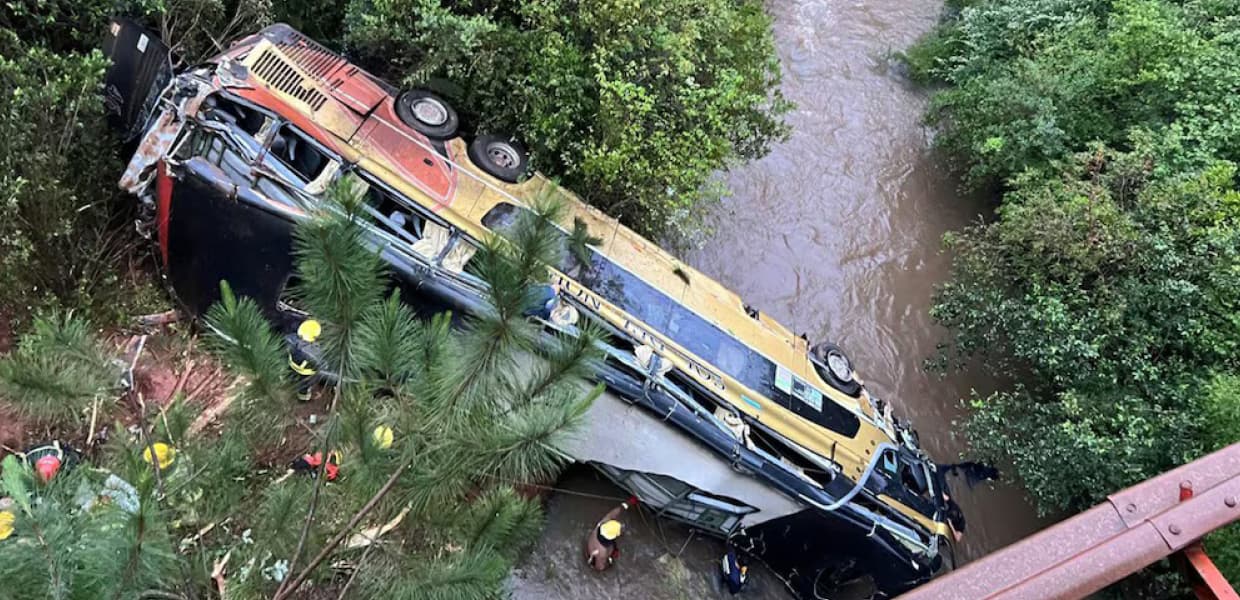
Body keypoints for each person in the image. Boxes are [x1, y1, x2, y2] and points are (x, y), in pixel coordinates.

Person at [585, 495, 639, 571]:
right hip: (596, 555)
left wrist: (628, 503)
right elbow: (599, 568)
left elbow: (614, 512)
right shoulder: (603, 553)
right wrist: (610, 564)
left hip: (592, 544)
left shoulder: (602, 523)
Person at [288, 318, 321, 402]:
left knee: (294, 377)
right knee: (304, 386)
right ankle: (303, 399)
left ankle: (292, 384)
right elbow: (321, 364)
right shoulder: (313, 352)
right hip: (307, 373)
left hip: (293, 365)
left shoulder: (292, 339)